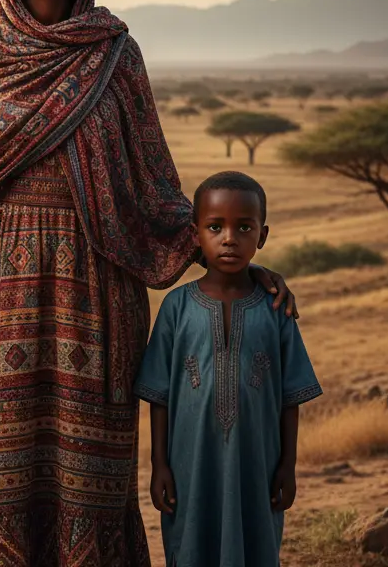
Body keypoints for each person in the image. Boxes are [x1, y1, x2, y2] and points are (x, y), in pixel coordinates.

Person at [0, 0, 300, 564]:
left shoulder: (115, 55)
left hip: (96, 296)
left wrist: (240, 269)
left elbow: (154, 188)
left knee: (90, 480)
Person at [135, 171, 324, 567]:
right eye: (215, 226)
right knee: (190, 545)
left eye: (244, 227)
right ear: (195, 233)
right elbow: (159, 397)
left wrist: (288, 467)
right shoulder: (176, 308)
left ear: (263, 235)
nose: (229, 238)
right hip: (190, 465)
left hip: (257, 464)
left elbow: (291, 398)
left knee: (255, 545)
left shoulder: (277, 310)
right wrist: (159, 466)